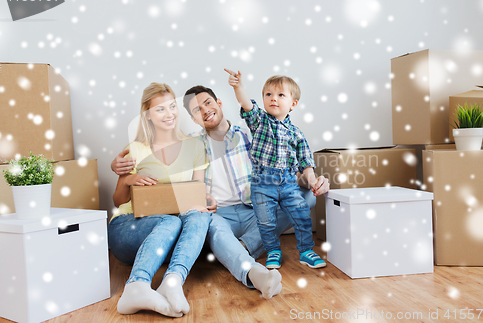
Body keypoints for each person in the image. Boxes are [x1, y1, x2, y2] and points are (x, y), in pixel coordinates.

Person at [112, 83, 329, 299]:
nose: (205, 110)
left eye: (208, 103)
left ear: (219, 103)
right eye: (197, 110)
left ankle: (241, 248)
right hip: (219, 216)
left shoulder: (254, 135)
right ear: (193, 118)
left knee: (305, 197)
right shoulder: (192, 145)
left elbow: (286, 174)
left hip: (255, 209)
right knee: (203, 219)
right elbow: (187, 191)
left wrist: (312, 181)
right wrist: (123, 174)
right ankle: (248, 266)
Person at [108, 82, 213, 318]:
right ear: (147, 116)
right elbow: (118, 201)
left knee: (199, 215)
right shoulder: (134, 149)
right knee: (170, 222)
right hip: (128, 227)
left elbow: (197, 193)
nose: (170, 114)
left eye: (172, 106)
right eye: (160, 109)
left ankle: (172, 283)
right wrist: (128, 180)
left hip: (168, 236)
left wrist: (206, 201)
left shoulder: (195, 146)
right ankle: (137, 285)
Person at [225, 68, 326, 270]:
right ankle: (273, 251)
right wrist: (239, 87)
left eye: (281, 95)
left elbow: (305, 162)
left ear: (293, 104)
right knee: (266, 221)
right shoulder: (260, 122)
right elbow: (246, 104)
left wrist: (313, 180)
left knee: (301, 215)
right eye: (268, 94)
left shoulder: (296, 133)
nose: (273, 99)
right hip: (262, 183)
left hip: (288, 181)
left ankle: (306, 250)